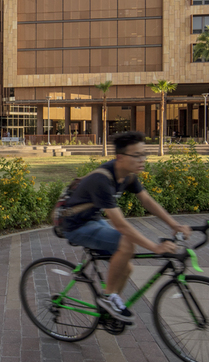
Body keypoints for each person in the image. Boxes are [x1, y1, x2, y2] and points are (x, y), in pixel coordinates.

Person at [58, 132, 190, 325]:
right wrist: (155, 247)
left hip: (92, 220)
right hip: (75, 226)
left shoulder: (128, 176)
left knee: (126, 267)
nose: (142, 159)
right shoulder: (102, 180)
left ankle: (111, 307)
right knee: (127, 244)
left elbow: (146, 200)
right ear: (120, 157)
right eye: (137, 155)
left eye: (144, 154)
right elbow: (120, 225)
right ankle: (108, 297)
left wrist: (174, 225)